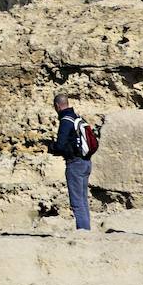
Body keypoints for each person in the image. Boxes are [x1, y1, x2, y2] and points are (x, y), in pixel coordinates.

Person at [52, 93, 95, 231]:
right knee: (82, 200)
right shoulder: (77, 117)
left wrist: (50, 147)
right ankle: (85, 229)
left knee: (77, 202)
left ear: (57, 106)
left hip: (75, 164)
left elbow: (60, 145)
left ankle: (83, 231)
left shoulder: (65, 120)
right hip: (86, 162)